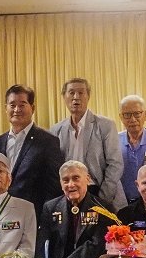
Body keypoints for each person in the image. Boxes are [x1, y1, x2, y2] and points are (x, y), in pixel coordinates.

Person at [49, 78, 125, 209]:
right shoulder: (56, 130)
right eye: (71, 93)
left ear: (88, 96)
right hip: (69, 193)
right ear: (64, 97)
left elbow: (115, 164)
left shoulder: (105, 125)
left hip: (99, 191)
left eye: (81, 93)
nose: (76, 97)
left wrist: (102, 199)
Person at [0, 84, 64, 215]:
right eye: (12, 105)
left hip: (33, 214)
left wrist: (46, 217)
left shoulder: (48, 141)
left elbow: (54, 187)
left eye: (22, 105)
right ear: (5, 108)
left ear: (32, 108)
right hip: (1, 214)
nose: (16, 109)